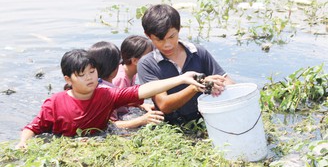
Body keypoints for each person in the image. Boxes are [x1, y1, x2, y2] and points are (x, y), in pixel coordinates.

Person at [16, 48, 205, 148]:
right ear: (68, 79)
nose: (89, 78)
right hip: (64, 143)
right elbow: (33, 128)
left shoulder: (107, 95)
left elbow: (144, 90)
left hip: (97, 142)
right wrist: (23, 142)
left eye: (92, 71)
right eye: (82, 75)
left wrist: (181, 78)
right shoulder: (55, 102)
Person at [137, 4, 235, 126]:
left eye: (172, 37)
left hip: (204, 119)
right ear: (148, 35)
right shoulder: (147, 65)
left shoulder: (198, 52)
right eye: (159, 40)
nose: (167, 45)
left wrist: (216, 84)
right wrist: (195, 86)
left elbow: (229, 84)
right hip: (171, 126)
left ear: (179, 29)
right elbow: (164, 105)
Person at [89, 40, 164, 129]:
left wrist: (141, 106)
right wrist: (142, 120)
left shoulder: (100, 86)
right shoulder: (107, 91)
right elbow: (109, 125)